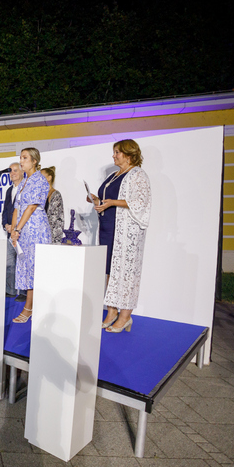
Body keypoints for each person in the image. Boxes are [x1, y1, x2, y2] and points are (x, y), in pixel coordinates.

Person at [88, 139, 152, 333]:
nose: (113, 155)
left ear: (129, 154)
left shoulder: (138, 174)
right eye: (114, 152)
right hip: (108, 228)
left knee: (127, 272)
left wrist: (112, 202)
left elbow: (140, 202)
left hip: (125, 231)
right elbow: (107, 199)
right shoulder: (114, 176)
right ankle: (111, 312)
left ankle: (125, 316)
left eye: (117, 152)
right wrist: (96, 200)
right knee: (110, 270)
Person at [10, 148, 52, 323]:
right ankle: (32, 307)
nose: (21, 161)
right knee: (26, 267)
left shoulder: (39, 180)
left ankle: (29, 308)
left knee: (34, 268)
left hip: (36, 229)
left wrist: (18, 229)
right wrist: (13, 230)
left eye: (25, 158)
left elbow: (32, 207)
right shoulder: (23, 182)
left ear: (34, 161)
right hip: (23, 230)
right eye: (21, 158)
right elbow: (17, 208)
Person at [2, 162, 25, 300]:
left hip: (21, 231)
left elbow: (25, 211)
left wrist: (16, 226)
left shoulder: (26, 187)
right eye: (11, 171)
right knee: (9, 262)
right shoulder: (9, 190)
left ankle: (23, 292)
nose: (12, 173)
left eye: (16, 170)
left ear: (22, 172)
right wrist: (6, 224)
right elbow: (5, 210)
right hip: (9, 232)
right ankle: (10, 290)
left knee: (22, 262)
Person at [41, 166, 65, 245]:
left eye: (41, 177)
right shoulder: (40, 195)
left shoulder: (56, 195)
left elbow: (55, 220)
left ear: (49, 178)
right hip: (41, 235)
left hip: (51, 237)